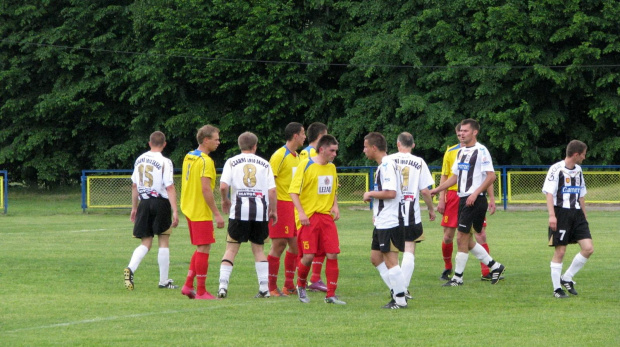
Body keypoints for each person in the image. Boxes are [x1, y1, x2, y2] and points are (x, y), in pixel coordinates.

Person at [430, 119, 505, 286]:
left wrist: (476, 193)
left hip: (475, 200)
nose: (461, 133)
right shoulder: (461, 152)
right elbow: (455, 177)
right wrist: (437, 190)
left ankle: (457, 278)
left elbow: (491, 176)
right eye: (461, 131)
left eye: (465, 131)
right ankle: (495, 266)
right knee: (467, 240)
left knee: (461, 237)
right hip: (463, 199)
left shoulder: (481, 151)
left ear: (474, 132)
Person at [217, 132, 278, 299]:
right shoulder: (265, 164)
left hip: (239, 211)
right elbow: (272, 191)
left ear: (240, 146)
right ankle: (264, 288)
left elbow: (223, 186)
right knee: (259, 250)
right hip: (260, 212)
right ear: (255, 146)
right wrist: (273, 210)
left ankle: (223, 286)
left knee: (231, 249)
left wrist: (224, 200)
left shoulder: (231, 161)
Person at [289, 134, 345, 304]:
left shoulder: (332, 168)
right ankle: (301, 286)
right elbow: (293, 191)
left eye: (336, 150)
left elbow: (333, 187)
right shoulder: (306, 164)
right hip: (309, 218)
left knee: (333, 253)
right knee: (309, 255)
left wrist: (335, 205)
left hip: (326, 217)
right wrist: (302, 213)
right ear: (322, 149)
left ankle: (331, 294)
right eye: (332, 150)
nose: (335, 154)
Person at [124, 131, 179, 290]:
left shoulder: (140, 159)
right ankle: (163, 281)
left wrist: (134, 207)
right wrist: (175, 211)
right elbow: (169, 186)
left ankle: (131, 268)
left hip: (144, 202)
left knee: (146, 242)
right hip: (160, 202)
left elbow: (134, 185)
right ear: (164, 144)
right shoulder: (165, 162)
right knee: (163, 240)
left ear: (149, 143)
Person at [387, 132, 436, 298]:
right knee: (409, 249)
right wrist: (431, 209)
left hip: (391, 211)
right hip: (410, 212)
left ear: (398, 143)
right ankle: (403, 288)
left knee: (391, 252)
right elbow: (424, 190)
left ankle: (397, 288)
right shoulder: (419, 162)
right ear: (413, 145)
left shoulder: (389, 160)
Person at [542, 140, 593, 299]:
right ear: (576, 154)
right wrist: (552, 215)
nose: (584, 157)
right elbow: (549, 194)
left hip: (577, 214)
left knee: (588, 248)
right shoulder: (556, 169)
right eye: (583, 154)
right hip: (561, 213)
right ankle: (557, 289)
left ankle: (567, 277)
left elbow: (581, 194)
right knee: (561, 251)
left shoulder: (578, 170)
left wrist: (584, 215)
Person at [362, 132, 408, 309]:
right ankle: (398, 290)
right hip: (382, 220)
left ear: (374, 148)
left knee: (390, 261)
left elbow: (391, 193)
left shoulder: (387, 165)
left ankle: (400, 299)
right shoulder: (384, 165)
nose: (364, 150)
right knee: (375, 258)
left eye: (366, 146)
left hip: (390, 220)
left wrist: (370, 194)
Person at [180, 125, 225, 300]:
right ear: (206, 140)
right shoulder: (206, 161)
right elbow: (206, 189)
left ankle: (188, 285)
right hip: (200, 209)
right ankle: (201, 291)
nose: (218, 142)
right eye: (216, 139)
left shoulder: (189, 156)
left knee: (201, 247)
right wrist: (217, 213)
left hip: (189, 206)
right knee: (205, 247)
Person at [267, 122, 306, 297]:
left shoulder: (297, 157)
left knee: (295, 245)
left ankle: (289, 285)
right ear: (295, 136)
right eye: (303, 133)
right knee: (278, 244)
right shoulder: (279, 156)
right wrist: (272, 207)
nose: (305, 137)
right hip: (281, 204)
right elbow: (269, 182)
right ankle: (271, 287)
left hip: (293, 206)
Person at [298, 122, 329, 293]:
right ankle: (307, 280)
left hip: (319, 206)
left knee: (323, 246)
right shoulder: (310, 154)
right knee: (308, 248)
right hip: (310, 208)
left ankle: (314, 279)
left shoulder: (311, 153)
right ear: (320, 136)